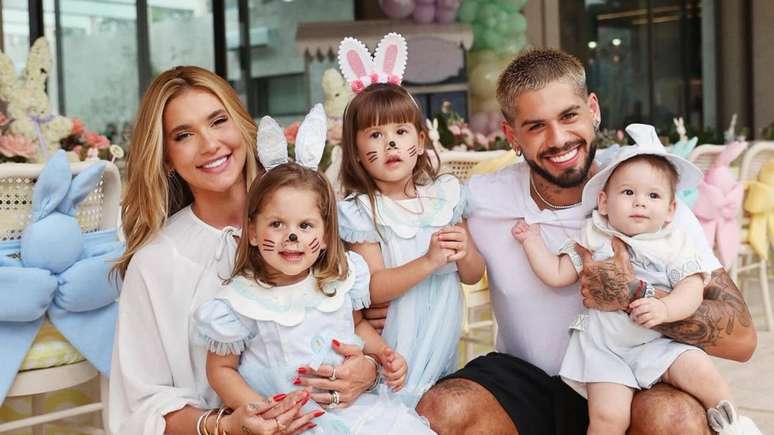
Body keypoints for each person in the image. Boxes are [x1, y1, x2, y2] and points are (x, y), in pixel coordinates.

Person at [413, 49, 756, 435]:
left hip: (635, 371)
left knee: (676, 418)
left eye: (569, 116)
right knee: (445, 407)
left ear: (593, 109)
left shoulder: (643, 186)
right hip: (531, 380)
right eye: (536, 125)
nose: (558, 139)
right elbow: (403, 231)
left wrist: (635, 297)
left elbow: (742, 339)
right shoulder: (482, 198)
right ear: (512, 136)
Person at [110, 66, 379, 435]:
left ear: (241, 125)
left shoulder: (311, 218)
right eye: (184, 134)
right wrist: (226, 426)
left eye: (218, 121)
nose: (209, 145)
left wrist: (368, 370)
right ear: (166, 157)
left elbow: (371, 327)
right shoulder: (155, 263)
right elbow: (139, 410)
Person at [194, 109, 435, 433]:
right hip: (288, 423)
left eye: (305, 226)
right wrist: (258, 408)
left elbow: (357, 327)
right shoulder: (241, 300)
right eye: (276, 224)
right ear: (251, 231)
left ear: (323, 237)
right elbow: (221, 370)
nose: (291, 237)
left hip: (354, 413)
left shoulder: (337, 281)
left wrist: (381, 353)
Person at [511, 123, 761, 435]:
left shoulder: (673, 241)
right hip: (606, 349)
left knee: (701, 372)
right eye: (628, 192)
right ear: (604, 202)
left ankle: (733, 426)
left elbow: (692, 287)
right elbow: (558, 273)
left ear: (670, 209)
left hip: (658, 342)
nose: (640, 202)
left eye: (653, 195)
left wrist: (666, 309)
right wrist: (532, 242)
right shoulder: (594, 235)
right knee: (607, 419)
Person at [336, 33, 486, 406]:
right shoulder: (363, 210)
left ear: (419, 141)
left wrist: (465, 251)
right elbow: (372, 289)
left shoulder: (445, 197)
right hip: (395, 344)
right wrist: (428, 261)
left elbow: (472, 274)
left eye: (401, 132)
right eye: (375, 134)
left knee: (441, 408)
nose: (390, 144)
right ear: (356, 150)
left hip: (441, 335)